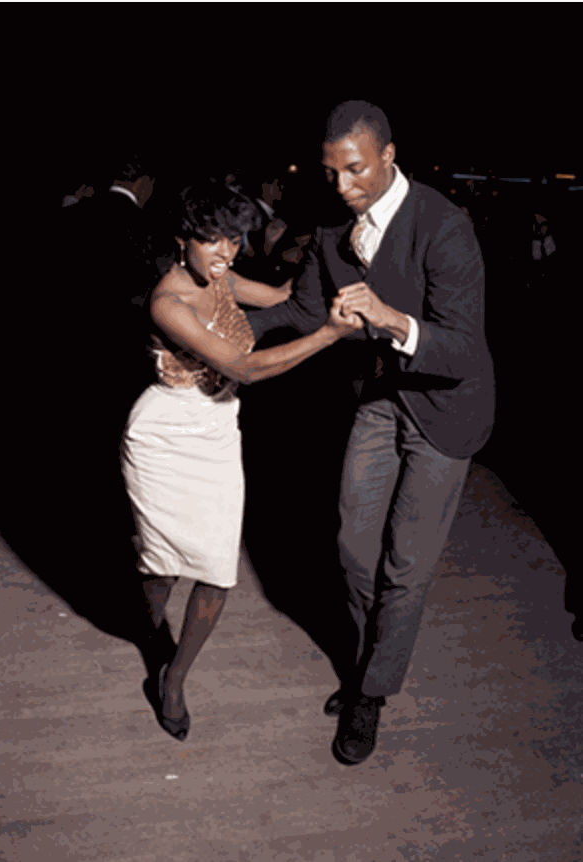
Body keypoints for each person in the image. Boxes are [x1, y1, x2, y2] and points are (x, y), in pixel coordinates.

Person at [245, 100, 496, 765]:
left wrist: (387, 317)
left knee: (405, 567)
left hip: (446, 407)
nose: (343, 188)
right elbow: (304, 307)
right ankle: (365, 664)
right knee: (354, 549)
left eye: (355, 170)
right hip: (382, 398)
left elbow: (464, 350)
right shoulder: (334, 224)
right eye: (331, 174)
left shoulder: (444, 226)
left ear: (388, 155)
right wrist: (233, 336)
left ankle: (371, 693)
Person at [120, 179, 361, 741]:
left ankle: (173, 680)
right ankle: (148, 632)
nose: (225, 252)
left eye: (233, 239)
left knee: (217, 572)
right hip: (164, 437)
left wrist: (335, 260)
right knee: (162, 565)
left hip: (217, 434)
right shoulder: (168, 301)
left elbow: (281, 299)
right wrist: (328, 335)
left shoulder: (224, 277)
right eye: (212, 241)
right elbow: (245, 368)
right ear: (183, 242)